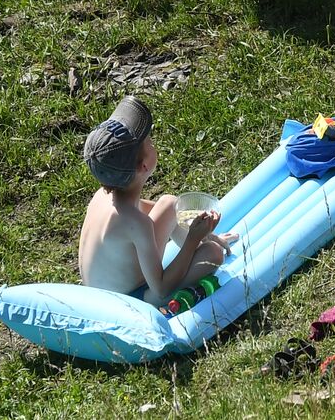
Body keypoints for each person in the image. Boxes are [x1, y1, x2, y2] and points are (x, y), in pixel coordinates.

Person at [78, 96, 233, 308]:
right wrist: (192, 240)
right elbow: (161, 287)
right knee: (213, 254)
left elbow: (157, 211)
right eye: (149, 142)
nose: (153, 143)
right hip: (129, 300)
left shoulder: (104, 196)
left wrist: (204, 234)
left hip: (104, 288)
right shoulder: (136, 224)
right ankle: (155, 296)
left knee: (171, 204)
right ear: (143, 166)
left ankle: (201, 243)